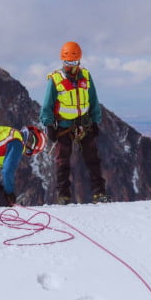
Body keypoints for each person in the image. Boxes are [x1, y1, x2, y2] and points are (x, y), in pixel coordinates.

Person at [40, 41, 109, 204]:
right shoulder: (55, 80)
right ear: (63, 61)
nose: (71, 66)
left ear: (79, 61)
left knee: (93, 160)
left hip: (84, 124)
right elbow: (47, 105)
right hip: (64, 126)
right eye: (68, 62)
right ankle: (63, 196)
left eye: (74, 62)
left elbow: (93, 99)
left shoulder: (86, 76)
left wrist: (95, 121)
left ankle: (100, 194)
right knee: (62, 162)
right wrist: (49, 125)